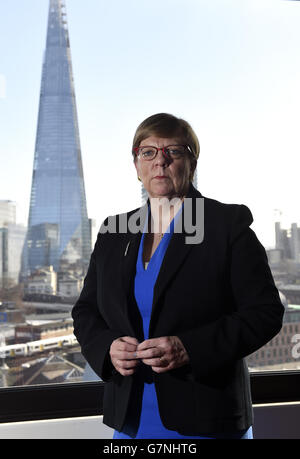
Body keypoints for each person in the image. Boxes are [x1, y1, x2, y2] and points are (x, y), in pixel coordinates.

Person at [71, 113, 284, 439]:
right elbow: (86, 312)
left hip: (208, 420)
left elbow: (265, 313)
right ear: (136, 165)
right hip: (131, 419)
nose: (161, 162)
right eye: (148, 152)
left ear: (192, 163)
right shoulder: (114, 231)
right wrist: (107, 347)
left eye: (174, 151)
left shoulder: (227, 225)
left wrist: (190, 348)